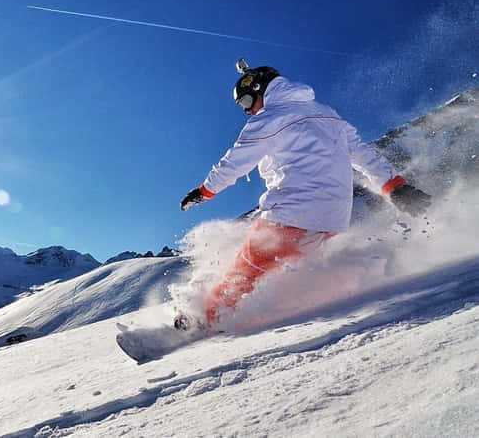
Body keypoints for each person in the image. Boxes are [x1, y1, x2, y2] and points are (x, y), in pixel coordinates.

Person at [177, 58, 431, 330]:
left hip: (293, 210)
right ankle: (250, 314)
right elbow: (363, 154)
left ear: (260, 89)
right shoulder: (329, 115)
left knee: (249, 267)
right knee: (282, 272)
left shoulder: (269, 119)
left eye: (247, 103)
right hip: (333, 220)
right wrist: (395, 186)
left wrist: (205, 191)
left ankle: (202, 322)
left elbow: (235, 162)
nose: (248, 111)